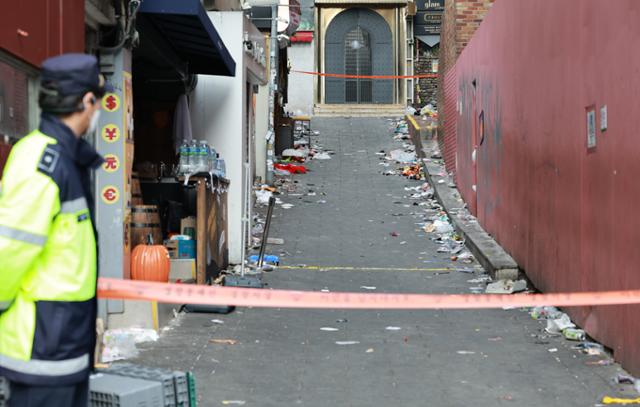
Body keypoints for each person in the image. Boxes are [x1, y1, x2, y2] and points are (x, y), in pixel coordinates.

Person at [0, 53, 110, 406]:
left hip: (64, 342)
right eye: (98, 101)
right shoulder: (45, 161)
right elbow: (9, 249)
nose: (98, 111)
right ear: (86, 101)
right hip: (42, 345)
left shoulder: (63, 156)